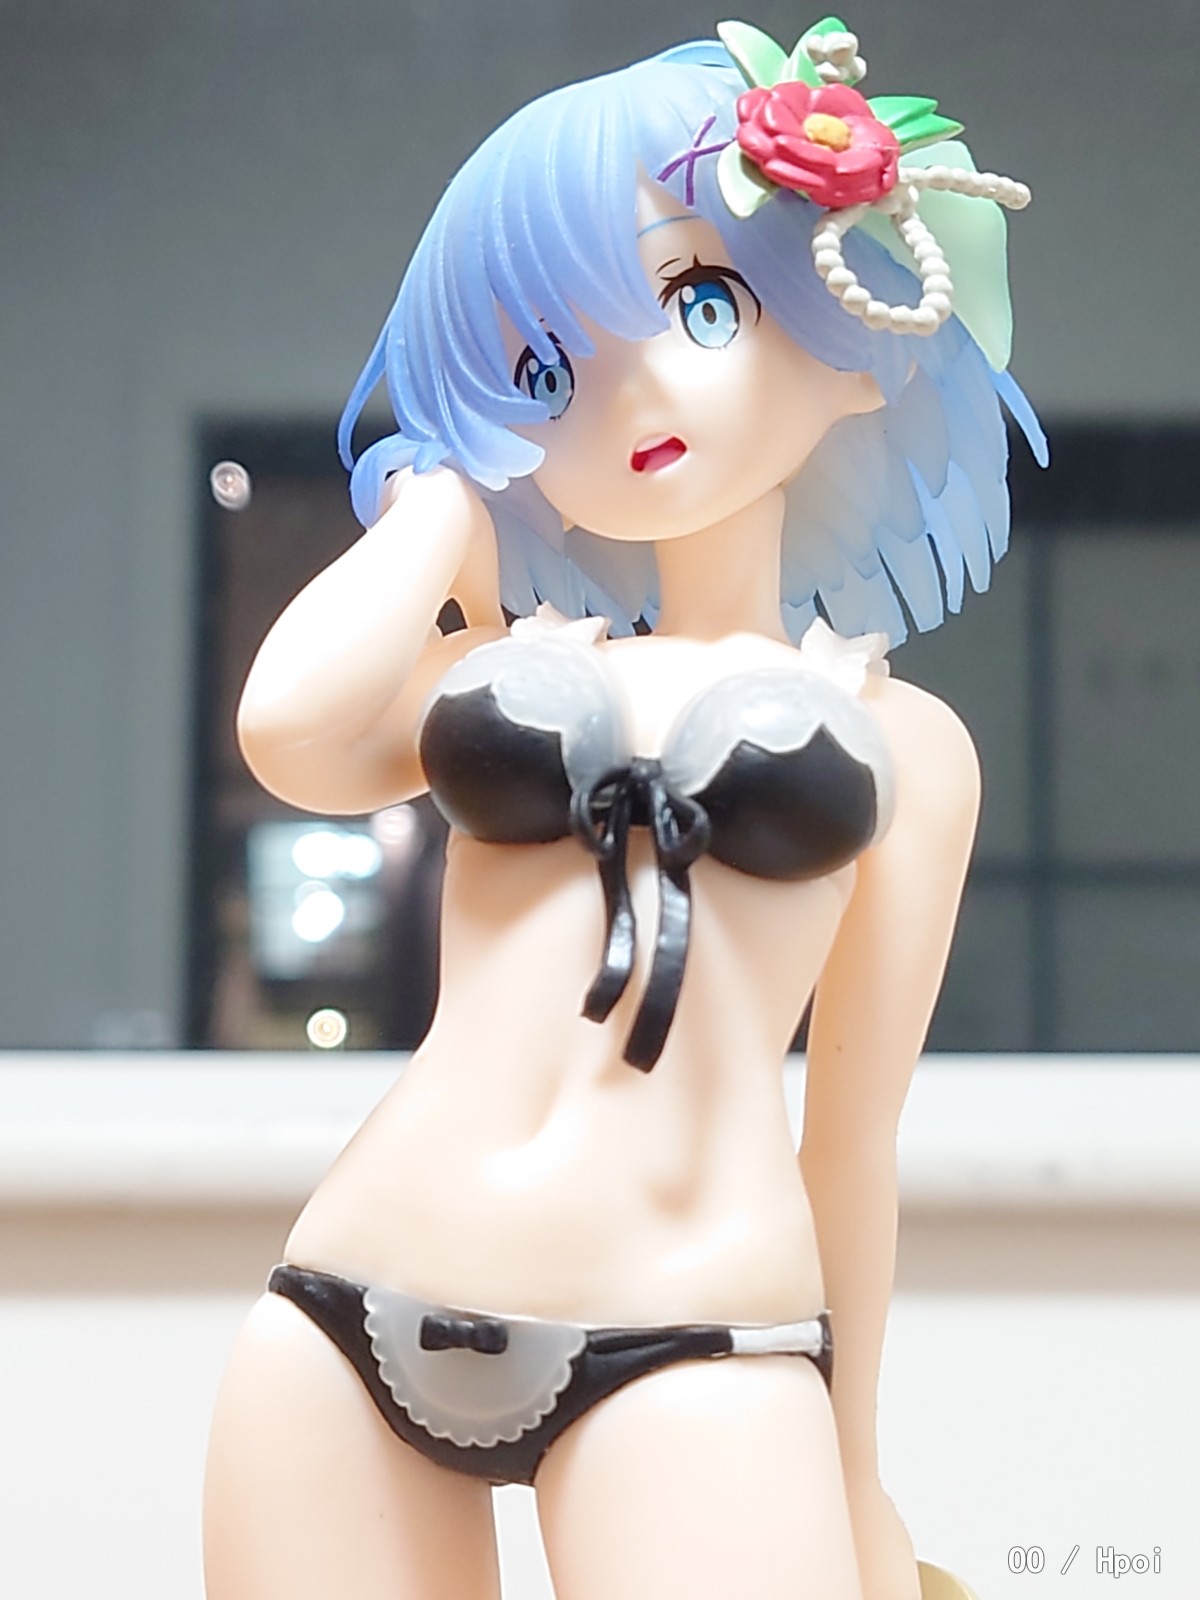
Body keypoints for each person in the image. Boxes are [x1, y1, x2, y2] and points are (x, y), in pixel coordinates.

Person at [203, 16, 1044, 1600]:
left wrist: (856, 1471)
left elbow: (851, 1145)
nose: (629, 390)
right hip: (343, 1306)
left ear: (850, 333)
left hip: (695, 1340)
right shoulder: (502, 661)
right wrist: (439, 499)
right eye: (543, 368)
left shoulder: (905, 743)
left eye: (701, 301)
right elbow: (290, 733)